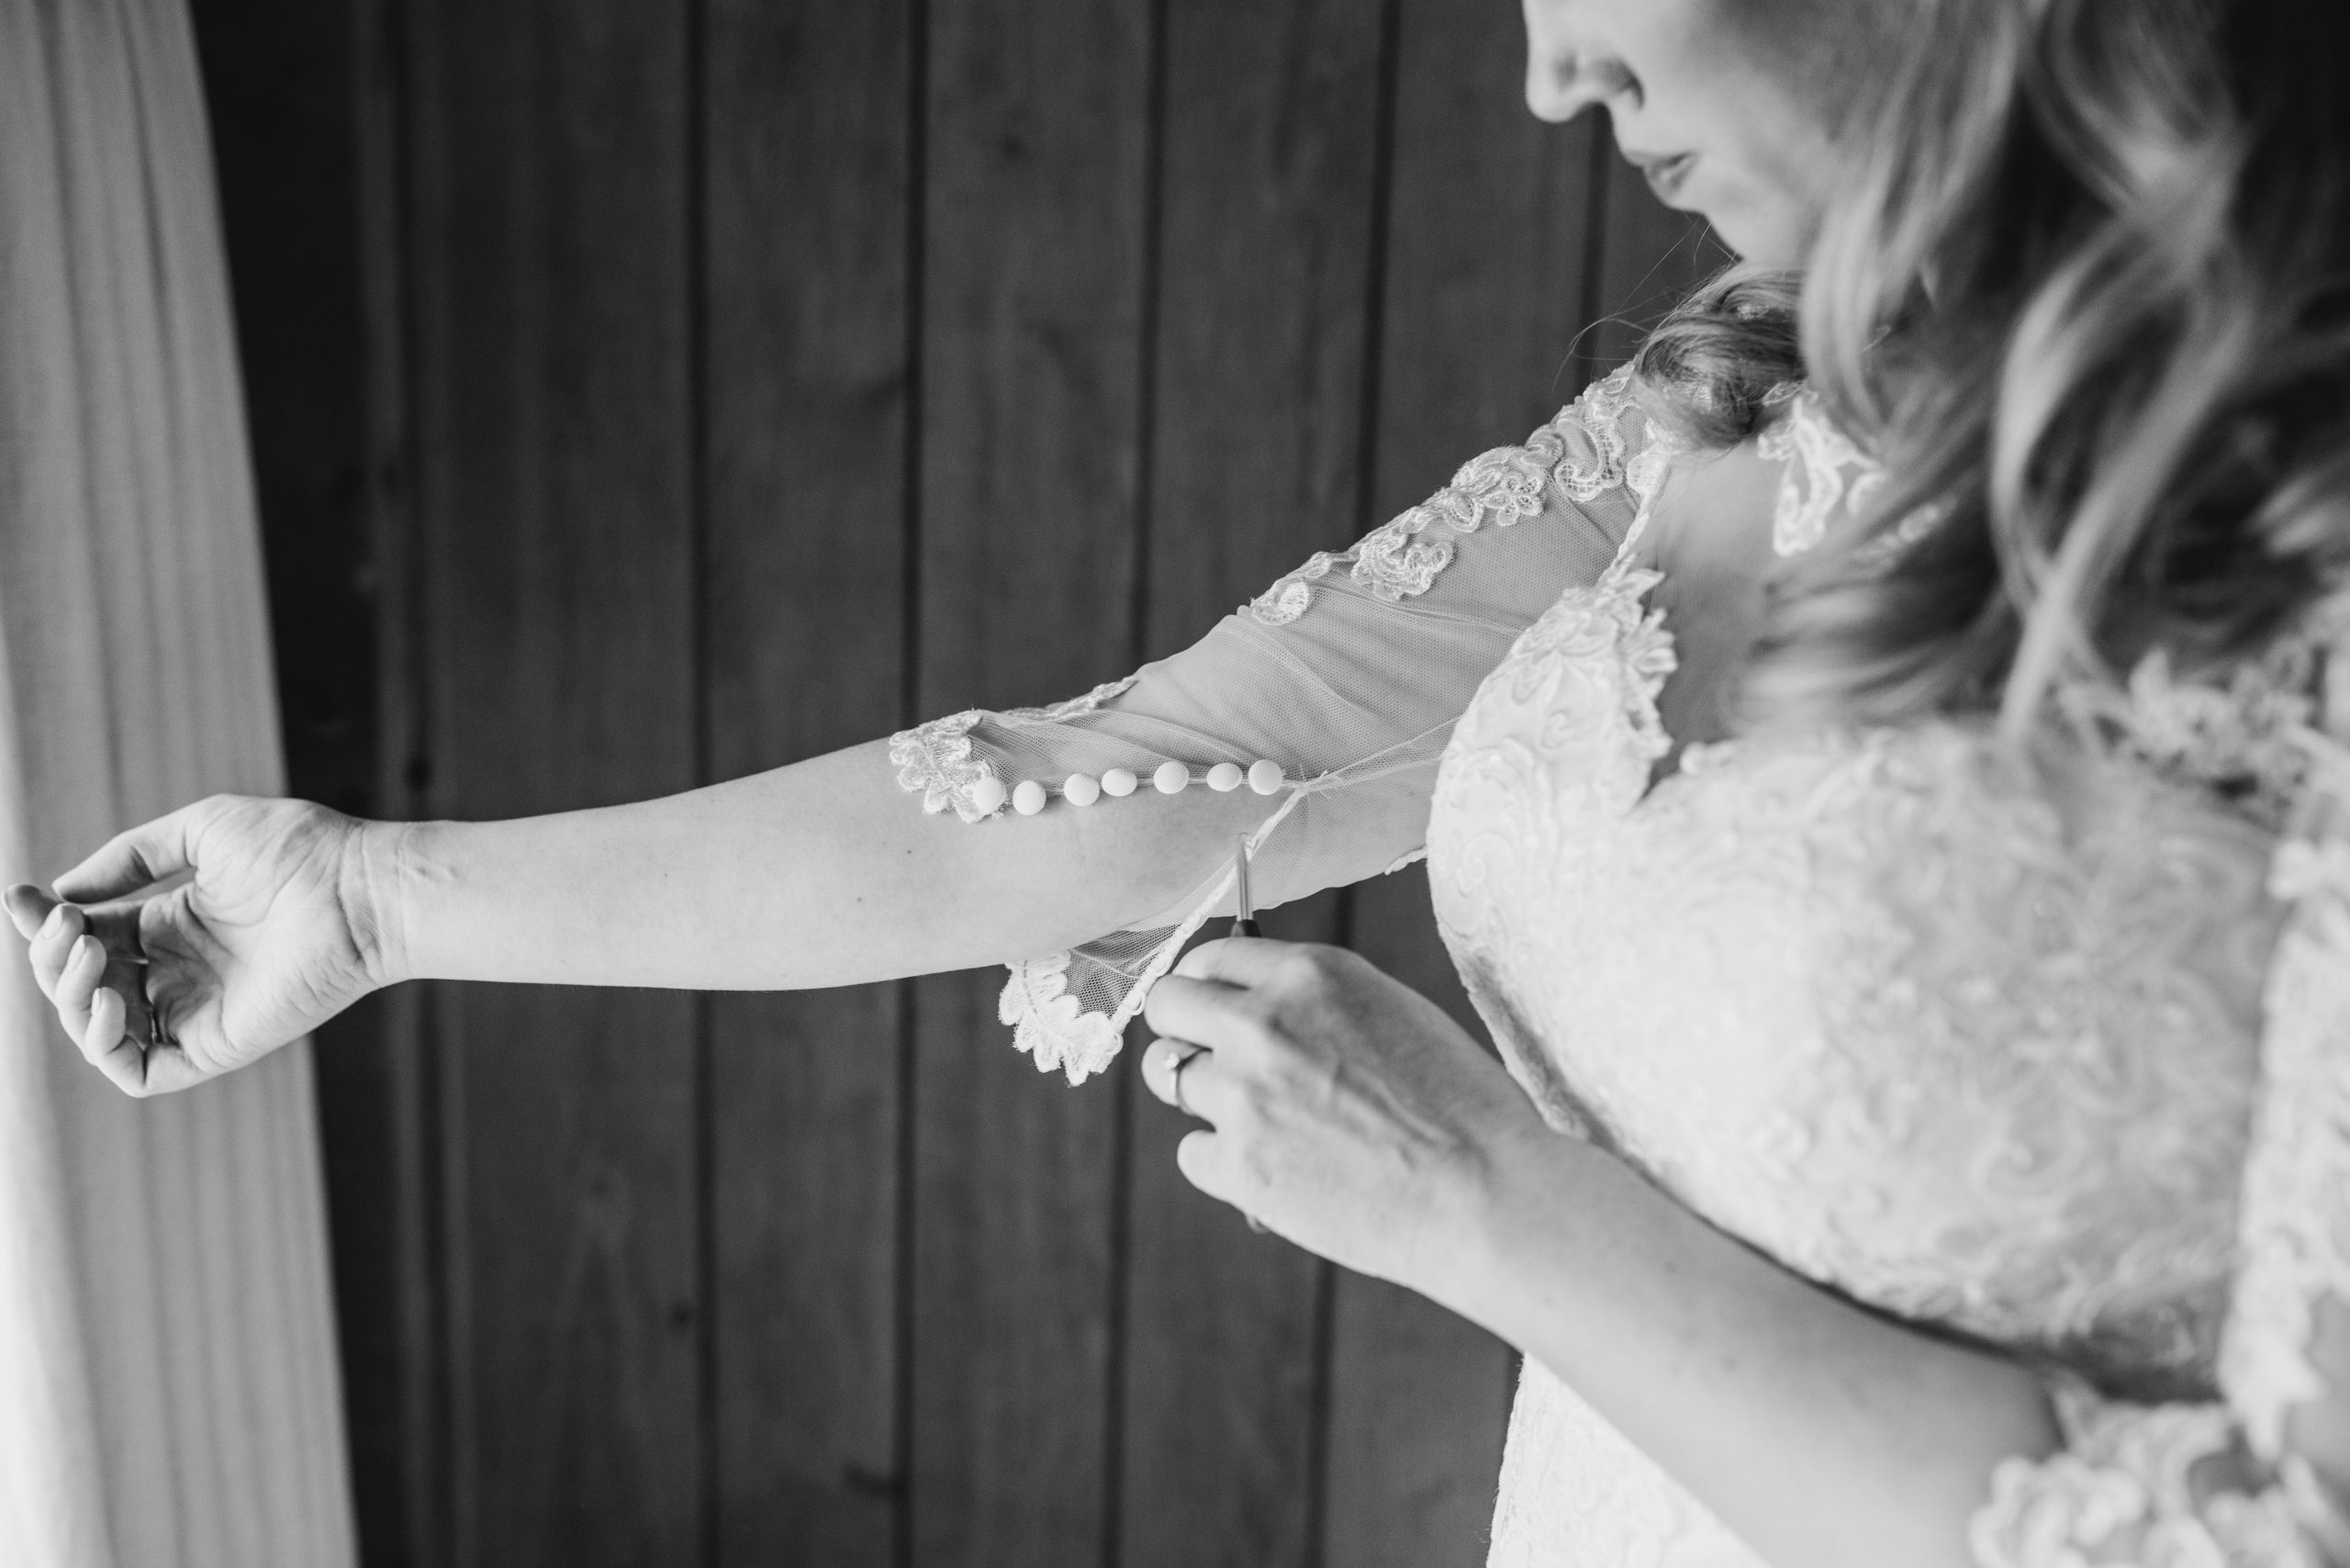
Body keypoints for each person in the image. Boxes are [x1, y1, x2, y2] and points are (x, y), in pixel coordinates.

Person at [14, 0, 2350, 1562]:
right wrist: (374, 896)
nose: (1544, 67)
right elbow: (1111, 784)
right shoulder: (1701, 414)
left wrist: (1483, 1201)